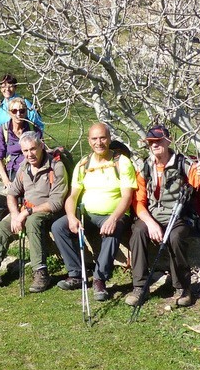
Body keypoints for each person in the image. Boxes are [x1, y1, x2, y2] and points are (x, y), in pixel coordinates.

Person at [127, 124, 200, 308]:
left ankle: (183, 288)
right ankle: (139, 287)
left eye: (158, 141)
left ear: (168, 141)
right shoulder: (144, 168)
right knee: (138, 231)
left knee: (175, 236)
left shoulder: (183, 164)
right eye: (151, 142)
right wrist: (151, 224)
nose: (154, 145)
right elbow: (138, 203)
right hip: (151, 216)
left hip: (179, 216)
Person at [0, 132, 68, 292]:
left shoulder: (56, 167)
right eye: (25, 151)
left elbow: (56, 203)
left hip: (48, 211)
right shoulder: (24, 167)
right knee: (1, 227)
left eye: (33, 149)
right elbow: (12, 193)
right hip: (25, 211)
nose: (30, 154)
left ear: (41, 146)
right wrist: (15, 215)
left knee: (33, 221)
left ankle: (41, 272)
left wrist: (26, 212)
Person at [51, 122, 136, 302]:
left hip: (115, 214)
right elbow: (73, 196)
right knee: (59, 226)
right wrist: (72, 217)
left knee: (113, 230)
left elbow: (127, 197)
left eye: (103, 138)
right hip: (88, 214)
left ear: (110, 138)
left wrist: (113, 218)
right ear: (89, 141)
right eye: (95, 139)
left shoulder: (122, 162)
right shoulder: (83, 164)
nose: (99, 142)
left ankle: (100, 279)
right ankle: (75, 273)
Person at [0, 97, 42, 187]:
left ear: (26, 112)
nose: (18, 114)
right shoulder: (3, 130)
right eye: (14, 111)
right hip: (14, 169)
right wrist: (5, 180)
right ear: (9, 112)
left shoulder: (34, 129)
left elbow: (41, 150)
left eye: (22, 111)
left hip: (33, 167)